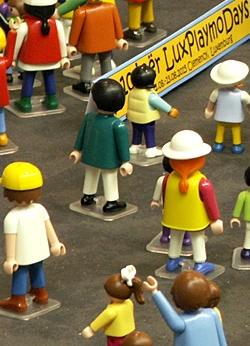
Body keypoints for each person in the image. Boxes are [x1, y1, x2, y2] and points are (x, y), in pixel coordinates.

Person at [1, 162, 66, 312]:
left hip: (23, 254)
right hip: (40, 250)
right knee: (37, 268)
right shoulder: (40, 209)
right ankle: (41, 293)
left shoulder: (12, 217)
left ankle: (18, 299)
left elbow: (11, 239)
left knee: (21, 272)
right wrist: (55, 243)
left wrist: (10, 259)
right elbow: (49, 227)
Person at [160, 130, 224, 275]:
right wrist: (215, 219)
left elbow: (165, 196)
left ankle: (172, 260)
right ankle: (200, 263)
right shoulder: (202, 183)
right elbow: (210, 202)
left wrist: (165, 210)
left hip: (173, 218)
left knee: (175, 236)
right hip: (194, 220)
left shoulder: (168, 179)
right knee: (197, 238)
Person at [70, 78, 133, 214]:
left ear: (95, 101)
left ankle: (87, 196)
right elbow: (122, 145)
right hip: (108, 159)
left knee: (91, 174)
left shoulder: (89, 118)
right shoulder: (118, 125)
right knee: (109, 177)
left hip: (90, 156)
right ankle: (111, 201)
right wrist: (125, 161)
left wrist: (77, 149)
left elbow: (81, 135)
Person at [67, 0, 127, 95]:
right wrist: (120, 38)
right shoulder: (111, 7)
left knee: (87, 61)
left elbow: (76, 30)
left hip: (89, 44)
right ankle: (108, 79)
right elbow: (117, 25)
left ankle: (85, 83)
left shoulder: (81, 12)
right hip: (107, 42)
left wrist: (72, 44)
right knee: (106, 60)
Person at [144, 272, 226, 346]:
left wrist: (154, 292)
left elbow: (169, 314)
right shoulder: (213, 314)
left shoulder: (183, 324)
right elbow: (221, 338)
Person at [81, 265, 146, 344]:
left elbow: (102, 320)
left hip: (116, 337)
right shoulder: (129, 302)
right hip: (129, 333)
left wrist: (91, 329)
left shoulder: (112, 311)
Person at [204, 59, 250, 154]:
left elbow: (211, 103)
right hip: (235, 119)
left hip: (221, 118)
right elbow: (249, 104)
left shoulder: (216, 92)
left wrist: (209, 110)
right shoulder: (242, 94)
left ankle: (218, 144)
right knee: (236, 130)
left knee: (220, 129)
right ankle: (236, 146)